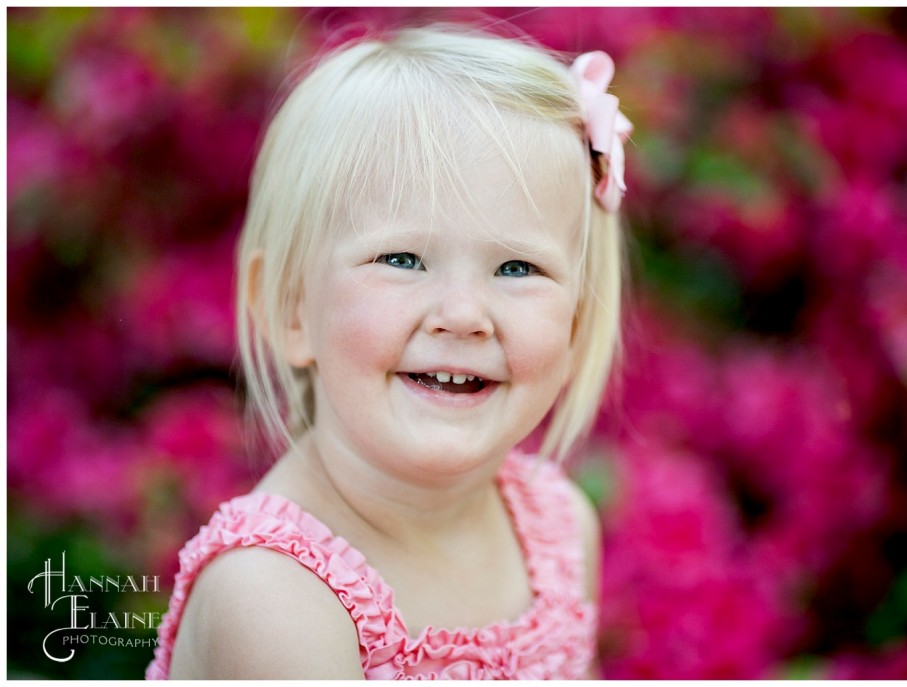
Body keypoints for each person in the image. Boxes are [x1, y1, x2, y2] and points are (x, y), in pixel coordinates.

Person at [146, 23, 630, 679]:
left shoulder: (560, 528)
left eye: (517, 268)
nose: (463, 313)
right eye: (402, 258)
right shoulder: (274, 598)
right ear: (291, 308)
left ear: (576, 320)